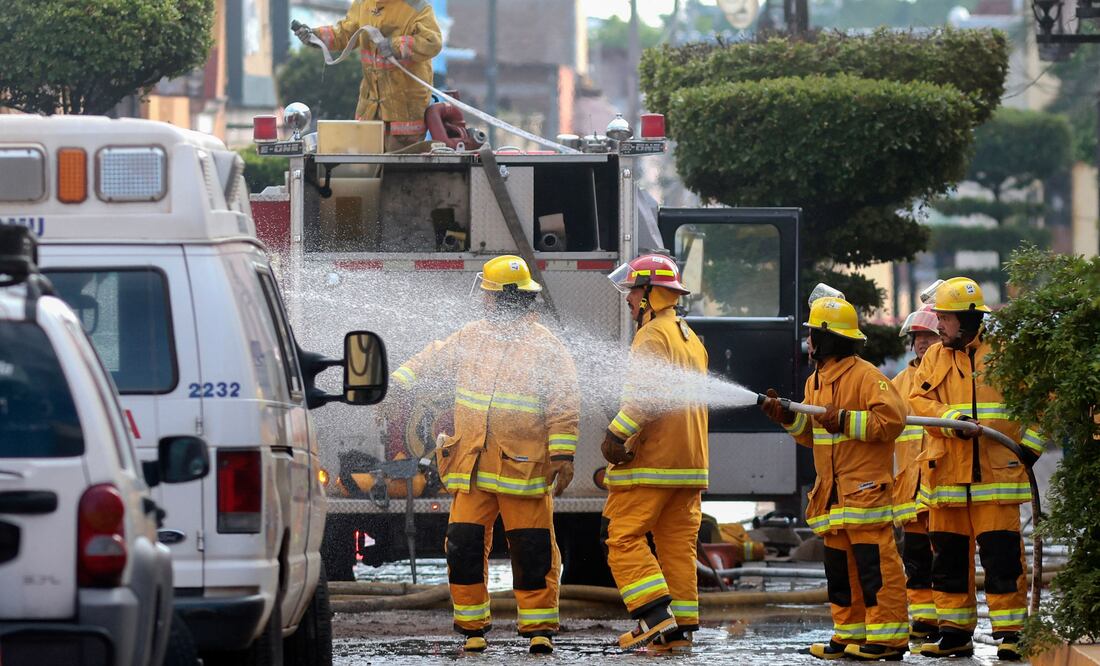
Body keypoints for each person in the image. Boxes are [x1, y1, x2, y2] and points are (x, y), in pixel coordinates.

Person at [388, 255, 580, 654]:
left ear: (504, 299)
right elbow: (431, 357)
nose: (484, 302)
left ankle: (539, 629)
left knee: (532, 549)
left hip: (521, 470)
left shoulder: (546, 347)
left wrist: (563, 455)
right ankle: (472, 627)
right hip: (472, 468)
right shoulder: (471, 336)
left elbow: (564, 404)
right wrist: (395, 385)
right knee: (463, 545)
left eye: (489, 295)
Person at [761, 294, 909, 661]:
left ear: (826, 339)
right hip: (834, 498)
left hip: (864, 495)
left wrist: (844, 418)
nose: (808, 341)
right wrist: (786, 418)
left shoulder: (866, 377)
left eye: (812, 334)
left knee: (876, 571)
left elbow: (892, 421)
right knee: (840, 574)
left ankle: (888, 640)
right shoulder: (817, 381)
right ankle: (849, 635)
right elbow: (813, 434)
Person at [907, 278, 1044, 661]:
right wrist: (950, 417)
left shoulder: (1004, 353)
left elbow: (1044, 399)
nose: (939, 327)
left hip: (996, 480)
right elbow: (917, 402)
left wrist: (1029, 447)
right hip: (946, 480)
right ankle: (954, 633)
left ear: (967, 319)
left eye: (945, 319)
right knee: (947, 562)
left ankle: (1011, 633)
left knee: (1001, 560)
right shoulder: (934, 357)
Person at [600, 253, 709, 652]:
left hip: (655, 462)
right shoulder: (688, 336)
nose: (628, 298)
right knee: (676, 546)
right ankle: (677, 634)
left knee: (621, 537)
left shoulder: (651, 335)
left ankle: (655, 619)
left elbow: (648, 397)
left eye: (632, 290)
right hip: (689, 465)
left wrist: (616, 434)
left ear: (649, 293)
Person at [295, 0, 442, 151]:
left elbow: (432, 42)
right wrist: (315, 36)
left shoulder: (416, 6)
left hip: (404, 115)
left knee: (398, 171)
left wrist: (396, 46)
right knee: (366, 168)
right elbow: (344, 33)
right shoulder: (364, 4)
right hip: (370, 110)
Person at [890, 305, 942, 647]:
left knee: (948, 559)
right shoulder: (898, 384)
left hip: (943, 488)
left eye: (929, 336)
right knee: (917, 560)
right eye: (918, 337)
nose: (922, 343)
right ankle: (924, 619)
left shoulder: (947, 377)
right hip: (911, 490)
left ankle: (949, 619)